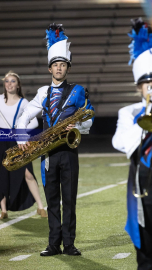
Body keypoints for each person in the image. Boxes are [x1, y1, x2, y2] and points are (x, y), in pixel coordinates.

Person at [17, 23, 94, 256]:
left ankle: (69, 244)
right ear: (50, 69)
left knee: (69, 200)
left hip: (69, 151)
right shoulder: (43, 93)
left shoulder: (78, 91)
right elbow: (24, 116)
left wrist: (78, 124)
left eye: (62, 65)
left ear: (67, 68)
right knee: (52, 199)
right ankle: (53, 244)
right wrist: (21, 137)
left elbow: (90, 119)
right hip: (48, 154)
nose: (59, 68)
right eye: (55, 65)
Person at [0, 70, 47, 219]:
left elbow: (34, 122)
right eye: (7, 81)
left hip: (17, 140)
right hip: (0, 141)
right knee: (1, 174)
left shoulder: (24, 102)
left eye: (12, 81)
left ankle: (41, 207)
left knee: (27, 172)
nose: (9, 84)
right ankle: (3, 210)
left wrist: (20, 131)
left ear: (18, 85)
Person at [112, 18, 152, 269]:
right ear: (139, 87)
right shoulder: (129, 113)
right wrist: (146, 118)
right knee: (145, 257)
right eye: (147, 84)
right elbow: (121, 142)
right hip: (143, 195)